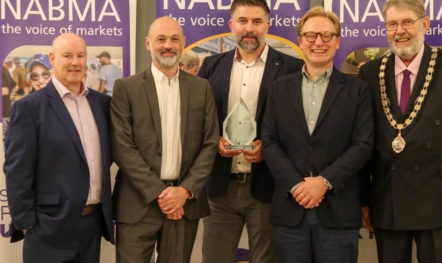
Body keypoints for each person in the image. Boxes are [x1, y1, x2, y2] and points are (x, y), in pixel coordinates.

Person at [359, 0, 442, 262]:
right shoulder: (370, 73)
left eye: (408, 21)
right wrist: (364, 200)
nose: (400, 30)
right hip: (388, 198)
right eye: (392, 24)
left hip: (440, 199)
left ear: (425, 24)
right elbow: (362, 142)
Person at [262, 6, 374, 263]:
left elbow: (363, 144)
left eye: (326, 35)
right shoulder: (279, 89)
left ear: (337, 41)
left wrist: (323, 182)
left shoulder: (357, 90)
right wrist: (297, 185)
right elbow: (269, 141)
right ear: (300, 40)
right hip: (290, 210)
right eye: (311, 36)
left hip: (338, 211)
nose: (318, 42)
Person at [197, 0, 304, 262]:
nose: (250, 28)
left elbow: (300, 128)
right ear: (231, 25)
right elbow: (198, 122)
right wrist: (215, 143)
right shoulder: (211, 66)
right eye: (243, 21)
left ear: (268, 25)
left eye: (257, 22)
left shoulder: (292, 67)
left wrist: (269, 151)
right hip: (220, 187)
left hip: (268, 188)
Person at [111, 16, 218, 263]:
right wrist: (162, 194)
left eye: (174, 39)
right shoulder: (126, 88)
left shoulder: (202, 88)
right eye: (161, 39)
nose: (167, 45)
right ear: (148, 43)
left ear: (183, 43)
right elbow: (122, 147)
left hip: (185, 204)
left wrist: (184, 191)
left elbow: (210, 143)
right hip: (137, 204)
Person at [4, 33, 114, 263]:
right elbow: (17, 170)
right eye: (67, 55)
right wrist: (26, 223)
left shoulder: (102, 104)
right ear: (53, 59)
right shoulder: (29, 107)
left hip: (92, 227)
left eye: (80, 55)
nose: (75, 62)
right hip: (48, 228)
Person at [2, 60, 16, 136]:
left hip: (3, 111)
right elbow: (15, 85)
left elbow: (4, 91)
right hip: (7, 109)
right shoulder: (6, 72)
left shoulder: (2, 71)